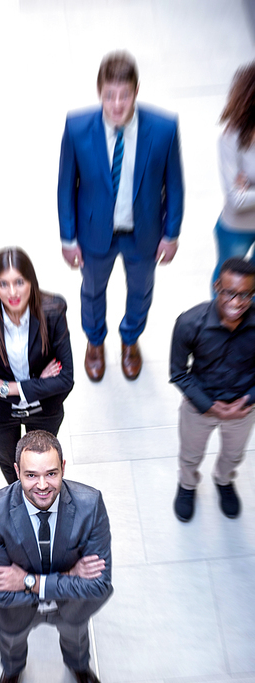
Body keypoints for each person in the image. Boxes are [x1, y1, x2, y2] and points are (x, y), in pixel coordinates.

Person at [57, 50, 184, 382]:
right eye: (109, 95)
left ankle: (130, 339)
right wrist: (68, 238)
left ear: (136, 91)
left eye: (124, 95)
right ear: (99, 91)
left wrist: (171, 234)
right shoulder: (76, 127)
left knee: (141, 291)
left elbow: (175, 184)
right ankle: (95, 342)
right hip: (94, 233)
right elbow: (65, 186)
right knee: (93, 291)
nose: (116, 104)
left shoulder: (164, 128)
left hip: (143, 232)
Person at [0, 429, 113, 683]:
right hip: (16, 610)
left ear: (63, 467)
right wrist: (72, 575)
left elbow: (98, 585)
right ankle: (12, 675)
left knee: (76, 638)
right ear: (17, 471)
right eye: (30, 475)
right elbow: (2, 591)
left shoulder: (91, 505)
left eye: (51, 474)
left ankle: (79, 669)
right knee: (12, 641)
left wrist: (28, 581)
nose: (41, 486)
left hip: (70, 607)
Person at [0, 247, 74, 484]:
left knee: (42, 463)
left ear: (31, 282)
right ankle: (18, 499)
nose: (12, 292)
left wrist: (7, 388)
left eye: (19, 282)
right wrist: (40, 383)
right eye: (3, 284)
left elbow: (65, 379)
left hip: (43, 410)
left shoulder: (54, 311)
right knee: (10, 463)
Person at [170, 257, 255, 522]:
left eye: (246, 295)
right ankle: (187, 485)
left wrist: (249, 399)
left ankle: (224, 481)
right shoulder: (189, 323)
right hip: (200, 405)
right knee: (190, 453)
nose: (237, 302)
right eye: (230, 292)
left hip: (244, 407)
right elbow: (178, 373)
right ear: (217, 286)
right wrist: (208, 405)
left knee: (234, 453)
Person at [211, 62, 255, 289]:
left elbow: (243, 196)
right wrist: (241, 193)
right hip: (237, 228)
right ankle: (215, 325)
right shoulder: (231, 138)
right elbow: (236, 200)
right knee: (227, 285)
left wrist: (249, 188)